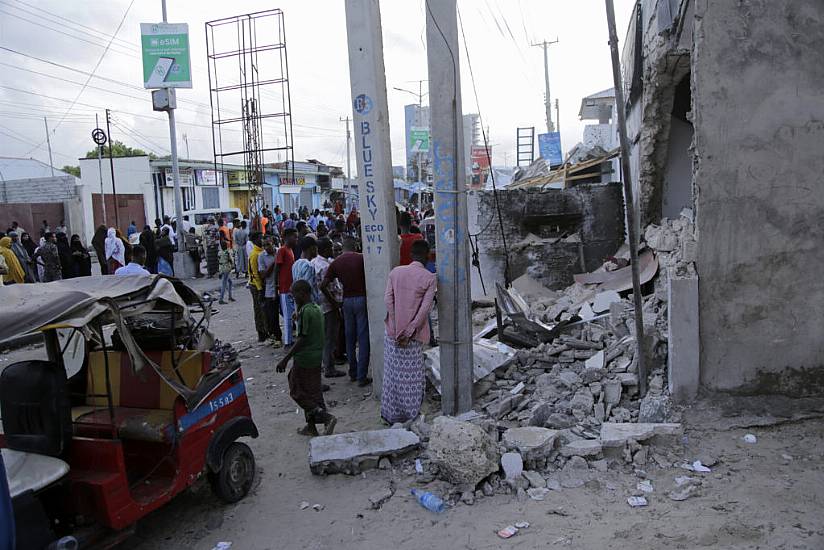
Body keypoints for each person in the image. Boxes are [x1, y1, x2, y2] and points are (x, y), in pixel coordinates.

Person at [381, 240, 437, 424]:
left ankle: (390, 414)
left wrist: (397, 328)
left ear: (411, 255)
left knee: (392, 375)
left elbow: (388, 301)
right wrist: (409, 330)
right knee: (412, 379)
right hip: (412, 338)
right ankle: (410, 417)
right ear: (428, 255)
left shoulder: (395, 273)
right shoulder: (429, 278)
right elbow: (424, 310)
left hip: (392, 334)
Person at [275, 279, 337, 437]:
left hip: (305, 358)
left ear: (302, 294)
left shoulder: (305, 312)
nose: (293, 297)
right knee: (313, 391)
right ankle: (312, 426)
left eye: (294, 294)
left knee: (296, 388)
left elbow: (302, 338)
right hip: (316, 356)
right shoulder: (316, 308)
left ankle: (325, 417)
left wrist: (286, 358)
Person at [321, 236, 371, 386]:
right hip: (362, 299)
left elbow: (323, 285)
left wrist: (335, 302)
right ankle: (362, 376)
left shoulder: (336, 263)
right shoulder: (362, 259)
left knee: (349, 337)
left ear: (343, 248)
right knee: (363, 339)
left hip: (346, 301)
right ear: (355, 246)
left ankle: (353, 372)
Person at [312, 238, 346, 378]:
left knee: (325, 337)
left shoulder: (315, 262)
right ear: (326, 249)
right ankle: (329, 368)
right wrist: (335, 303)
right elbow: (326, 287)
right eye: (331, 247)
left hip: (321, 305)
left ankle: (326, 365)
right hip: (328, 306)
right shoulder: (325, 266)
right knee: (330, 338)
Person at [258, 237, 283, 346]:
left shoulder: (280, 251)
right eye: (264, 245)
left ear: (273, 243)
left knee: (286, 312)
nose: (267, 247)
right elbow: (263, 275)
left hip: (283, 288)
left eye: (268, 244)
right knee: (273, 316)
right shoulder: (262, 256)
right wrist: (275, 262)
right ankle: (278, 337)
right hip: (270, 289)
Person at [275, 228, 298, 346]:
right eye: (295, 237)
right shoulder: (282, 250)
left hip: (291, 287)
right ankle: (288, 341)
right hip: (284, 288)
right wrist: (276, 287)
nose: (296, 239)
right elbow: (277, 268)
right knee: (288, 317)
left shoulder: (290, 250)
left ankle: (293, 339)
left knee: (294, 314)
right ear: (288, 237)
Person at [247, 232, 268, 343]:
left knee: (263, 310)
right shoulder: (255, 254)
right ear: (255, 240)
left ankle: (264, 331)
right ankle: (261, 333)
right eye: (260, 238)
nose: (262, 240)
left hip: (258, 285)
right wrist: (260, 289)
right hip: (256, 286)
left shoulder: (260, 252)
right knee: (259, 310)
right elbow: (255, 273)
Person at [217, 239, 236, 304]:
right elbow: (230, 260)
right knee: (224, 284)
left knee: (229, 282)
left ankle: (230, 296)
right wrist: (233, 265)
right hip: (226, 269)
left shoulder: (219, 252)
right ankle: (221, 299)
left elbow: (219, 260)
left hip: (221, 268)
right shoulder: (227, 252)